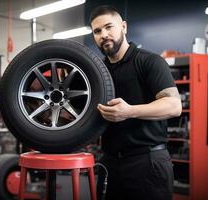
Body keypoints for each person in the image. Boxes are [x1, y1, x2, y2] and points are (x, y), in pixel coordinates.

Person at [89, 5, 182, 200]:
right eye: (97, 31)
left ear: (123, 27)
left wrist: (129, 111)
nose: (104, 34)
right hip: (110, 163)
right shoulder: (97, 71)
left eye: (109, 27)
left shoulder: (149, 61)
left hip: (147, 162)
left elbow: (174, 106)